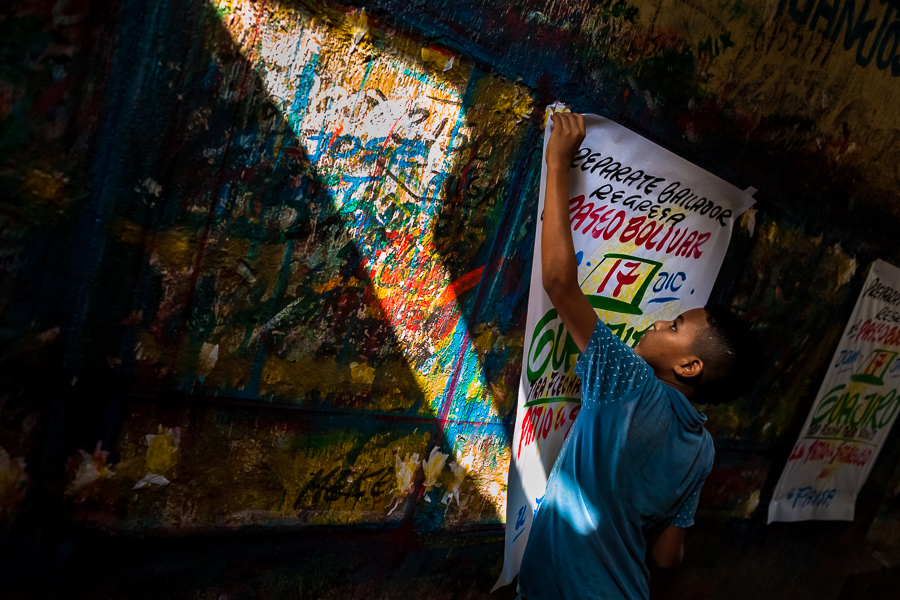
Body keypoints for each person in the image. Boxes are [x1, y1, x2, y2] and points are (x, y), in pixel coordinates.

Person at [516, 112, 753, 600]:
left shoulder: (627, 380)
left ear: (689, 367)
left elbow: (560, 283)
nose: (659, 320)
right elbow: (668, 556)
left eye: (675, 326)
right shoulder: (703, 451)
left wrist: (558, 162)